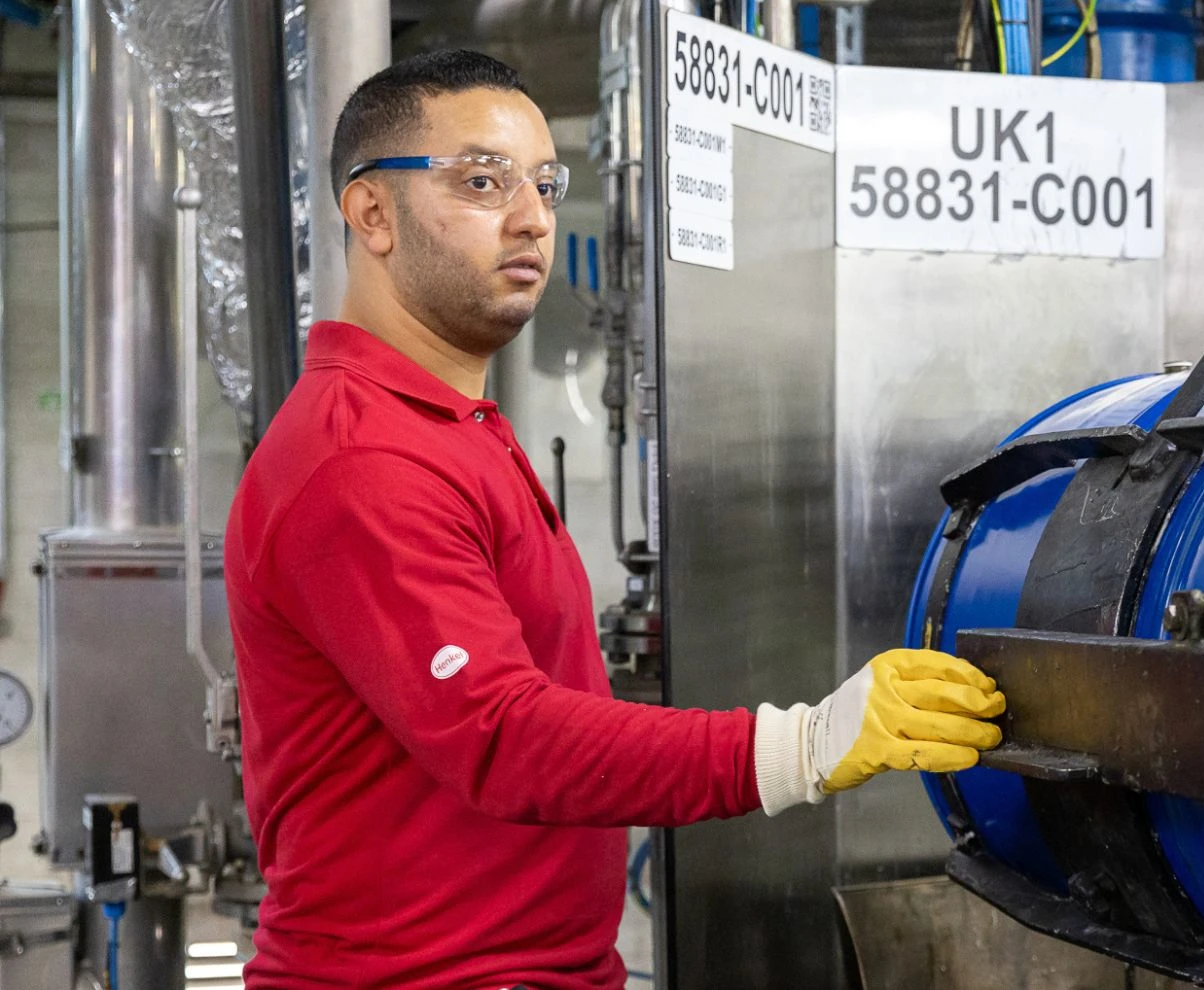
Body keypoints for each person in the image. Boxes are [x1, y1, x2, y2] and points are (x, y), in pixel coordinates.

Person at [223, 49, 1007, 989]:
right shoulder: (362, 460)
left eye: (545, 184)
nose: (532, 218)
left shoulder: (449, 427)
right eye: (483, 182)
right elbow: (502, 738)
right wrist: (805, 745)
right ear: (372, 213)